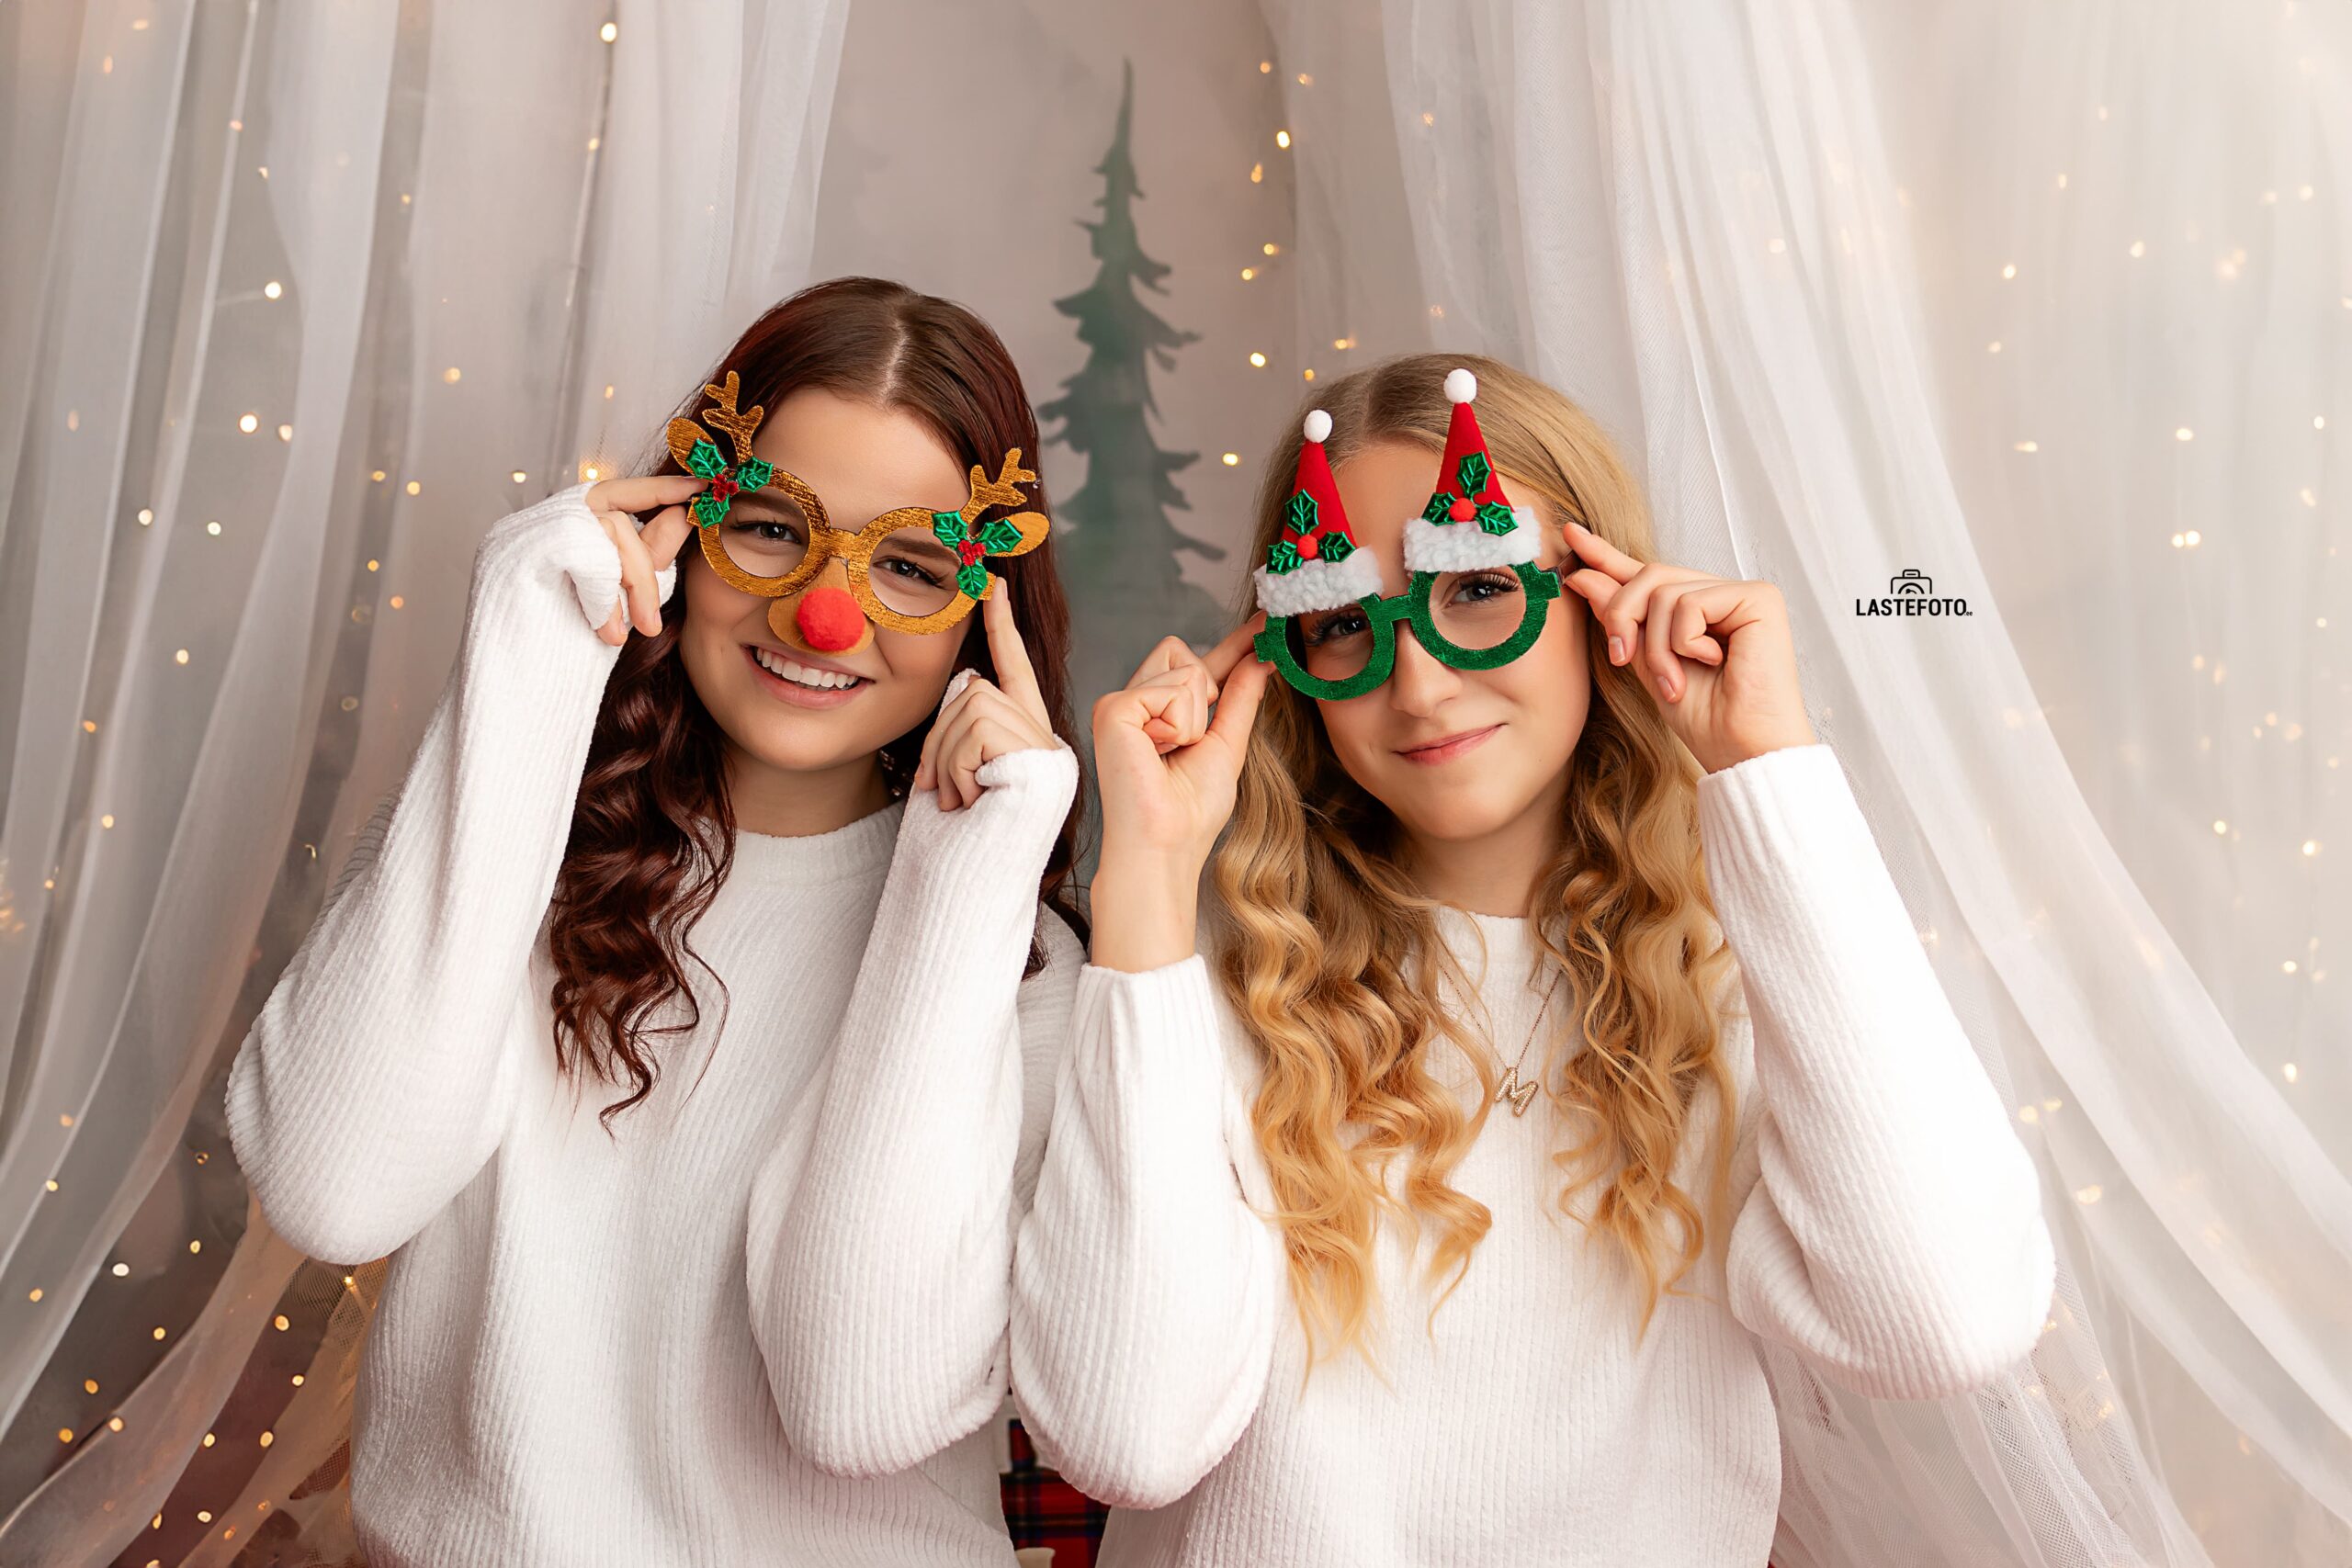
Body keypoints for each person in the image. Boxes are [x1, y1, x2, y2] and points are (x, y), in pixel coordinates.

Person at [1008, 354, 2056, 1565]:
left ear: (1605, 599)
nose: (1419, 681)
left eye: (1477, 592)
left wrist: (1766, 767)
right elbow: (1121, 1439)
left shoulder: (1749, 981)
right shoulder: (1204, 1004)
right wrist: (1143, 887)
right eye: (1347, 623)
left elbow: (1944, 1325)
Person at [225, 276, 1084, 1565]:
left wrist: (969, 879)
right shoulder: (504, 846)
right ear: (681, 524)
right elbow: (331, 1191)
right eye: (770, 529)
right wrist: (524, 650)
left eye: (909, 565)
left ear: (986, 610)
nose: (825, 614)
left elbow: (858, 1402)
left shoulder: (1029, 974)